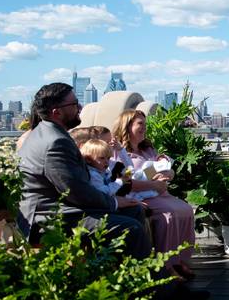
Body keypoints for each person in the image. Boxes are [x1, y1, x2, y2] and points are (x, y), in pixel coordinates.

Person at [16, 83, 151, 259]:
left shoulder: (49, 133)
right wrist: (114, 202)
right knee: (131, 228)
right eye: (74, 104)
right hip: (48, 220)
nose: (80, 107)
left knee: (134, 211)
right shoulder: (55, 142)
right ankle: (140, 281)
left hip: (64, 209)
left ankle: (122, 274)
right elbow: (76, 191)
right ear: (57, 113)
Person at [112, 109, 197, 280]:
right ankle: (165, 265)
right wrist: (153, 184)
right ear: (127, 126)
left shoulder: (148, 149)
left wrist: (168, 175)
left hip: (160, 193)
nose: (144, 128)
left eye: (145, 124)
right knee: (169, 215)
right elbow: (123, 183)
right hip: (142, 196)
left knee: (186, 210)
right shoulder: (118, 153)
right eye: (140, 124)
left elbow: (164, 167)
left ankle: (179, 260)